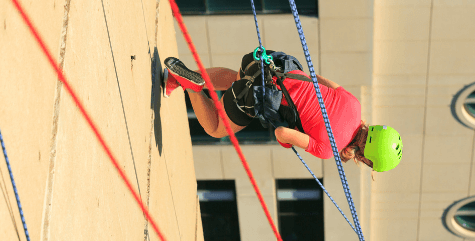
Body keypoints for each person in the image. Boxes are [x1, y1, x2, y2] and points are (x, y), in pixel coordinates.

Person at [162, 50, 403, 172]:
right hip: (258, 91)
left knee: (237, 78)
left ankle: (179, 78)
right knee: (216, 128)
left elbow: (317, 78)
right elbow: (282, 134)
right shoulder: (328, 149)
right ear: (364, 157)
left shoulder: (355, 104)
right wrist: (289, 142)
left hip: (267, 63)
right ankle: (191, 86)